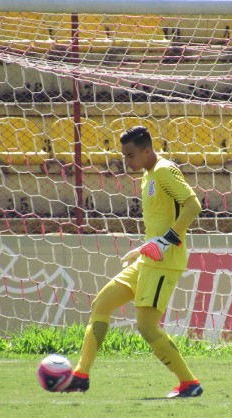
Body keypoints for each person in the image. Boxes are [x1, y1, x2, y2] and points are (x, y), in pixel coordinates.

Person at [64, 125, 203, 398]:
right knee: (101, 303)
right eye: (124, 155)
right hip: (148, 259)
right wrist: (143, 249)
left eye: (130, 155)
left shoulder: (164, 170)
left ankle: (189, 383)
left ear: (147, 150)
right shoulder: (147, 174)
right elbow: (162, 220)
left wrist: (164, 242)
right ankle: (81, 374)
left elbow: (193, 206)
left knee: (147, 327)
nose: (126, 161)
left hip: (165, 261)